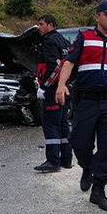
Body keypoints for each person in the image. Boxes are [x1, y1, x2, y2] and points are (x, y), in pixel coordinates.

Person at [55, 0, 107, 211]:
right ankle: (87, 166)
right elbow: (69, 62)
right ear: (97, 16)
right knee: (79, 142)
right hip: (87, 101)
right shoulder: (85, 37)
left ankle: (98, 190)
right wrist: (61, 85)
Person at [33, 14, 73, 172]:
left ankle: (53, 161)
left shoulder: (49, 41)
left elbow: (55, 67)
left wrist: (45, 86)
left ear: (50, 25)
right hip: (66, 87)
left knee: (50, 124)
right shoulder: (64, 41)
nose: (38, 27)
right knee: (63, 123)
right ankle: (66, 159)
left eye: (41, 24)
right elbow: (69, 64)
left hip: (54, 90)